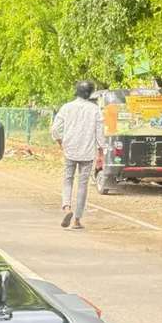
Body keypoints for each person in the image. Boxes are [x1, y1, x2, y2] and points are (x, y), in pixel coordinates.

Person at [51, 81, 105, 229]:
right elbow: (100, 133)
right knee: (82, 185)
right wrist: (101, 152)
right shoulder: (95, 109)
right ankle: (77, 220)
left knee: (68, 180)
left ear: (77, 91)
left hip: (70, 150)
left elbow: (55, 129)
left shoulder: (67, 107)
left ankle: (67, 207)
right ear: (90, 93)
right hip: (87, 153)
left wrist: (60, 142)